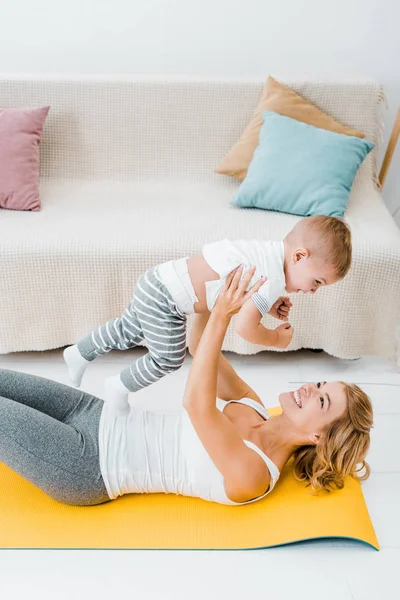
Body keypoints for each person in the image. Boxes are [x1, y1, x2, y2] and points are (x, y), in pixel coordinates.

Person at [0, 266, 372, 507]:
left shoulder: (255, 475)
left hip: (88, 464)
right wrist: (223, 296)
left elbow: (197, 405)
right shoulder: (254, 407)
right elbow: (198, 345)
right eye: (320, 383)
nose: (309, 388)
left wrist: (224, 318)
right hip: (94, 413)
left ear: (319, 438)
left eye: (321, 401)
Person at [63, 215, 352, 412]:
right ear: (299, 257)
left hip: (157, 280)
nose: (313, 291)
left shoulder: (267, 255)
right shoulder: (272, 278)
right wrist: (276, 339)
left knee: (126, 329)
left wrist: (270, 302)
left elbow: (245, 288)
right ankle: (118, 387)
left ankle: (79, 352)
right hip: (168, 301)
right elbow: (245, 328)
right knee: (168, 358)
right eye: (317, 282)